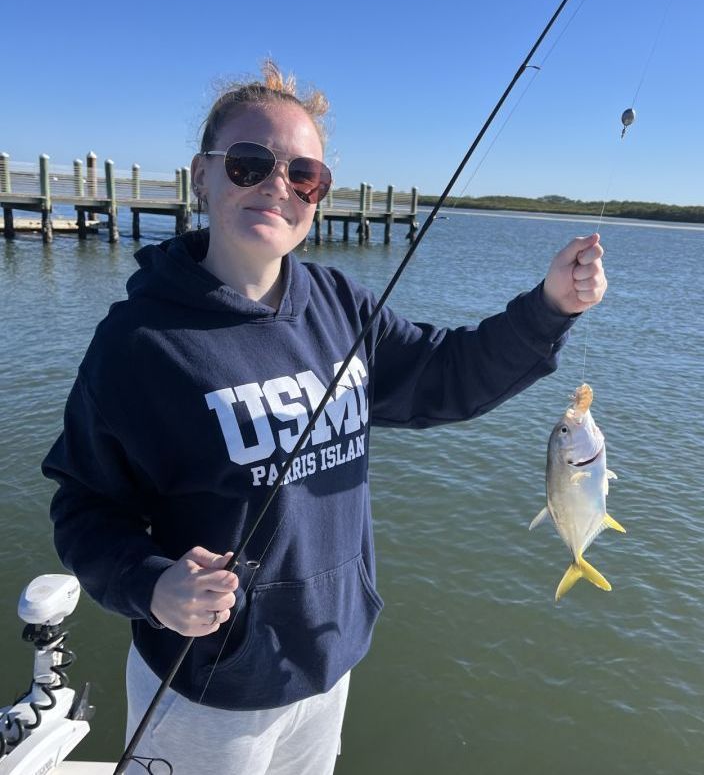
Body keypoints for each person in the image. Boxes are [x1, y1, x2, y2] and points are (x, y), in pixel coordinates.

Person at [43, 60, 607, 775]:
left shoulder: (340, 304)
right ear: (202, 177)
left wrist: (551, 306)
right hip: (207, 688)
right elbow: (82, 506)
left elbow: (447, 377)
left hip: (327, 660)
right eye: (250, 163)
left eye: (305, 175)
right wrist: (152, 585)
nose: (278, 186)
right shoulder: (138, 344)